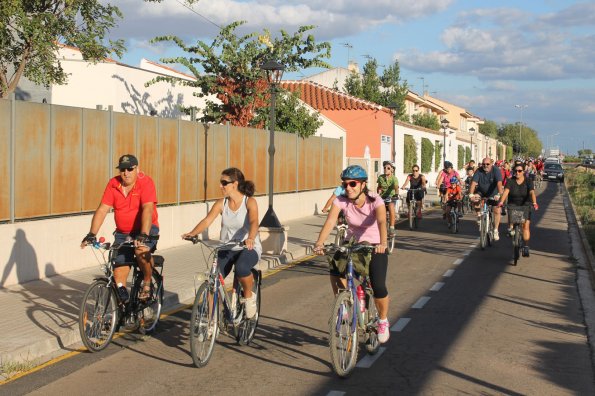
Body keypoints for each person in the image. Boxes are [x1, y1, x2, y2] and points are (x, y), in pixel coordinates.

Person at [313, 165, 390, 343]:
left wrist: (382, 243)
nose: (348, 187)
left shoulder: (375, 200)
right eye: (345, 184)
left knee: (378, 285)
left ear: (363, 185)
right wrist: (319, 242)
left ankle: (383, 320)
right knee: (335, 267)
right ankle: (344, 305)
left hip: (374, 245)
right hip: (352, 243)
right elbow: (331, 220)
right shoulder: (341, 200)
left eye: (353, 184)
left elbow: (381, 221)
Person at [181, 168, 261, 318]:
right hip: (226, 247)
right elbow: (207, 220)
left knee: (242, 268)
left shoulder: (249, 202)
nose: (220, 186)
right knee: (213, 280)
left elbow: (254, 221)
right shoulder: (221, 203)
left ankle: (249, 297)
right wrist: (193, 233)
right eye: (220, 182)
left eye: (224, 183)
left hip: (247, 247)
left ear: (235, 184)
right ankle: (211, 322)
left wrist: (250, 237)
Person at [81, 154, 159, 301]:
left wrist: (143, 233)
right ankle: (122, 309)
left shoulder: (146, 182)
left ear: (137, 168)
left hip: (146, 228)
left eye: (130, 169)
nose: (126, 173)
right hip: (124, 233)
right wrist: (91, 233)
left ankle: (147, 283)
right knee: (118, 275)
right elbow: (102, 209)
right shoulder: (113, 184)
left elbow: (148, 209)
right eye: (123, 169)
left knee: (140, 251)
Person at [497, 163, 539, 256]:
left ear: (523, 171)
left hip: (526, 204)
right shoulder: (510, 181)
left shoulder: (528, 181)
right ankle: (513, 230)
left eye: (520, 171)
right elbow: (506, 191)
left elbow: (532, 192)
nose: (517, 172)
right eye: (515, 171)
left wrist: (535, 203)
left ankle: (526, 246)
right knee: (513, 219)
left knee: (525, 226)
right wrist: (501, 202)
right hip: (513, 204)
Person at [469, 157, 504, 240]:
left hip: (494, 193)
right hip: (481, 192)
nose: (485, 166)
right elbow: (473, 183)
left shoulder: (496, 170)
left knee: (497, 210)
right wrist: (471, 194)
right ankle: (479, 216)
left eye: (487, 164)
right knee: (475, 201)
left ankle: (495, 230)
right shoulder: (479, 170)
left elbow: (499, 183)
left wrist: (499, 194)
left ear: (491, 164)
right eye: (483, 164)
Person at [377, 161, 398, 235]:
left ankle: (392, 227)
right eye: (384, 168)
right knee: (378, 210)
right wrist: (378, 194)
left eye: (388, 168)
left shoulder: (394, 178)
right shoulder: (380, 177)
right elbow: (379, 187)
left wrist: (396, 194)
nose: (386, 169)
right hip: (382, 197)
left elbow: (396, 187)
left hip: (391, 197)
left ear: (392, 170)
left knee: (391, 206)